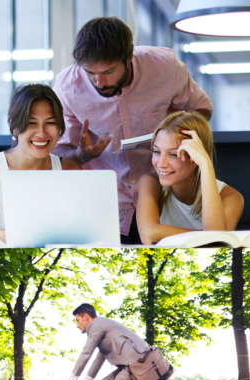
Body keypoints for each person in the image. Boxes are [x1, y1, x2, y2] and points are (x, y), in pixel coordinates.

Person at [52, 17, 213, 244]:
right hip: (106, 206)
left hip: (167, 198)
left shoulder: (165, 68)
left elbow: (202, 110)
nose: (98, 82)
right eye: (90, 73)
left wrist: (173, 137)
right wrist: (81, 155)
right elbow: (57, 152)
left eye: (108, 71)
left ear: (129, 57)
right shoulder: (67, 87)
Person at [0, 84, 82, 241]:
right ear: (14, 126)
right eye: (32, 123)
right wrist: (12, 236)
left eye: (50, 122)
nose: (41, 133)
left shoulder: (70, 170)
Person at [136, 111, 244, 243]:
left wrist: (205, 164)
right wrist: (206, 236)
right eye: (157, 151)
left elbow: (216, 245)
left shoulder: (231, 197)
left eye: (174, 154)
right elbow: (149, 234)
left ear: (196, 155)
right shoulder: (150, 182)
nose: (160, 163)